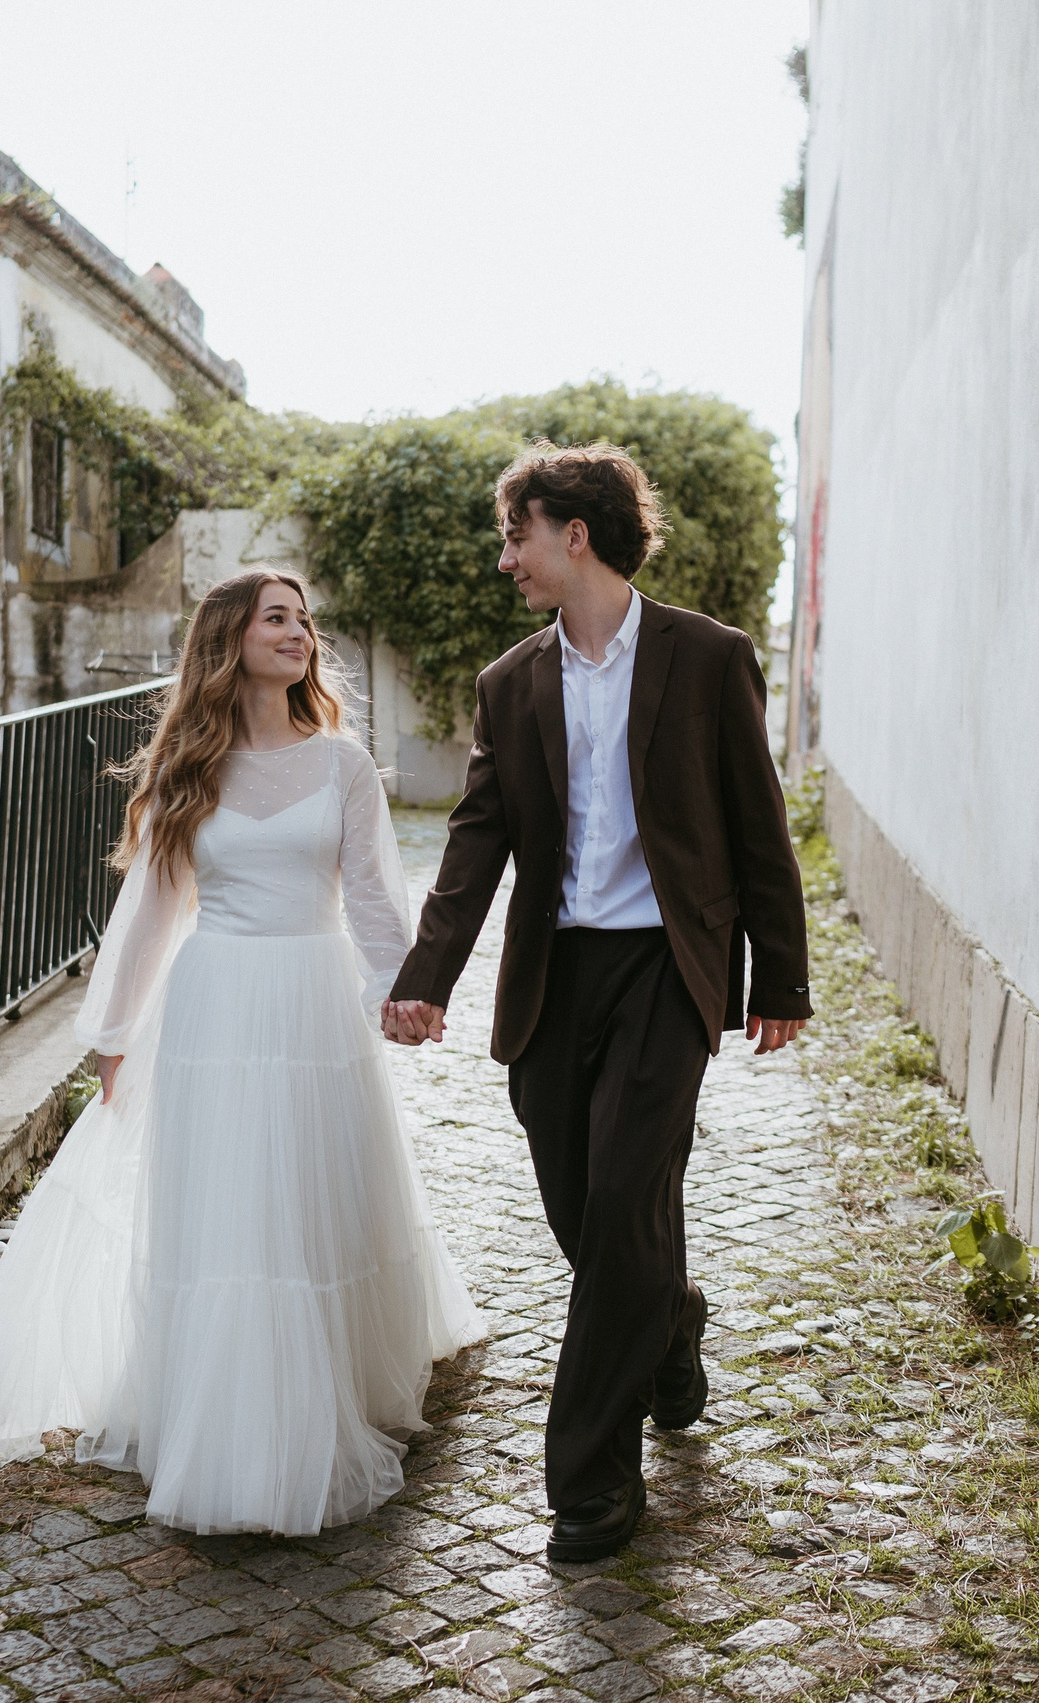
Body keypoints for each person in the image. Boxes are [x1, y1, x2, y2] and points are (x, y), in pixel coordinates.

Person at [0, 569, 483, 1536]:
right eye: (277, 617)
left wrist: (398, 991)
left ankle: (326, 1383)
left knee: (311, 1194)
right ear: (229, 639)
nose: (299, 632)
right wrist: (113, 1032)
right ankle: (223, 1412)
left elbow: (370, 895)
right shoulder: (186, 767)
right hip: (215, 1009)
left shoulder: (342, 765)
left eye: (303, 618)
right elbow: (151, 907)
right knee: (230, 1211)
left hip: (313, 1003)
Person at [382, 442, 812, 1562]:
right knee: (587, 1210)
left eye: (515, 534)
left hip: (669, 968)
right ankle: (668, 1328)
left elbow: (757, 824)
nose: (505, 558)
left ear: (574, 533)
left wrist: (781, 977)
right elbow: (477, 842)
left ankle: (590, 1479)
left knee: (626, 1190)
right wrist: (424, 979)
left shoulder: (707, 657)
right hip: (555, 978)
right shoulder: (509, 682)